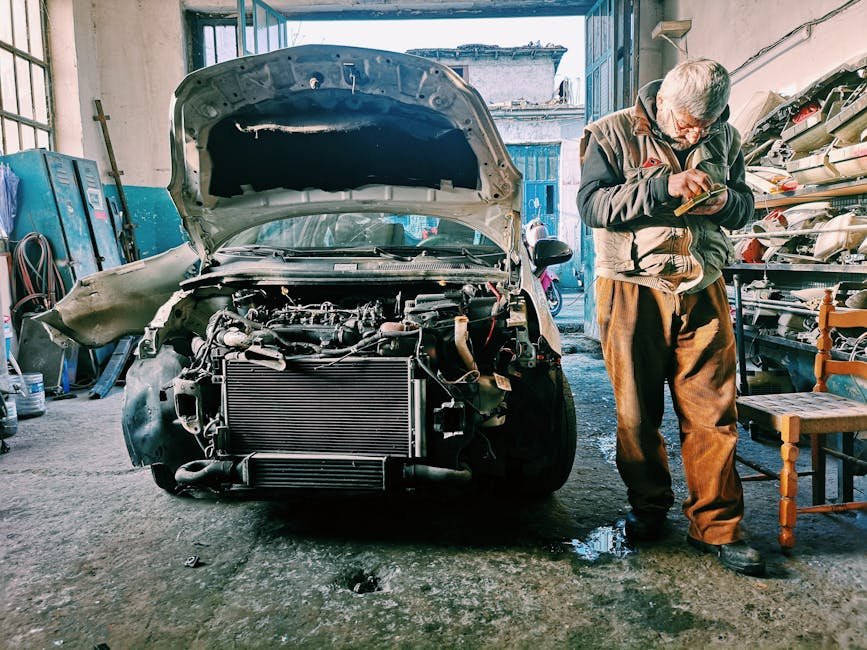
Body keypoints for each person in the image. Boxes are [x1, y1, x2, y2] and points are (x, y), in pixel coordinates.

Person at [577, 58, 764, 576]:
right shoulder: (611, 133)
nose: (698, 133)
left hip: (702, 286)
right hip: (631, 288)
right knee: (637, 415)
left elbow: (746, 206)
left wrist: (726, 201)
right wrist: (665, 188)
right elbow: (592, 205)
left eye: (708, 123)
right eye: (687, 124)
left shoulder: (723, 136)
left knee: (713, 413)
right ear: (661, 105)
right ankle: (649, 509)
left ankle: (718, 527)